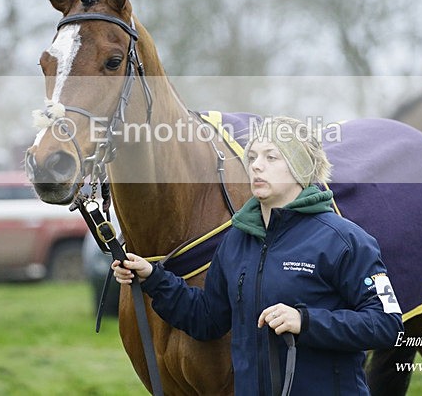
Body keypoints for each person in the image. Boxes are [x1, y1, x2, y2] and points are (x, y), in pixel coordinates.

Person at [113, 116, 404, 395]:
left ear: (299, 168)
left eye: (271, 157)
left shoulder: (346, 240)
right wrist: (153, 278)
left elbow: (387, 324)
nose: (256, 167)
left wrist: (306, 322)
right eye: (252, 158)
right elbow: (207, 318)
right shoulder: (236, 241)